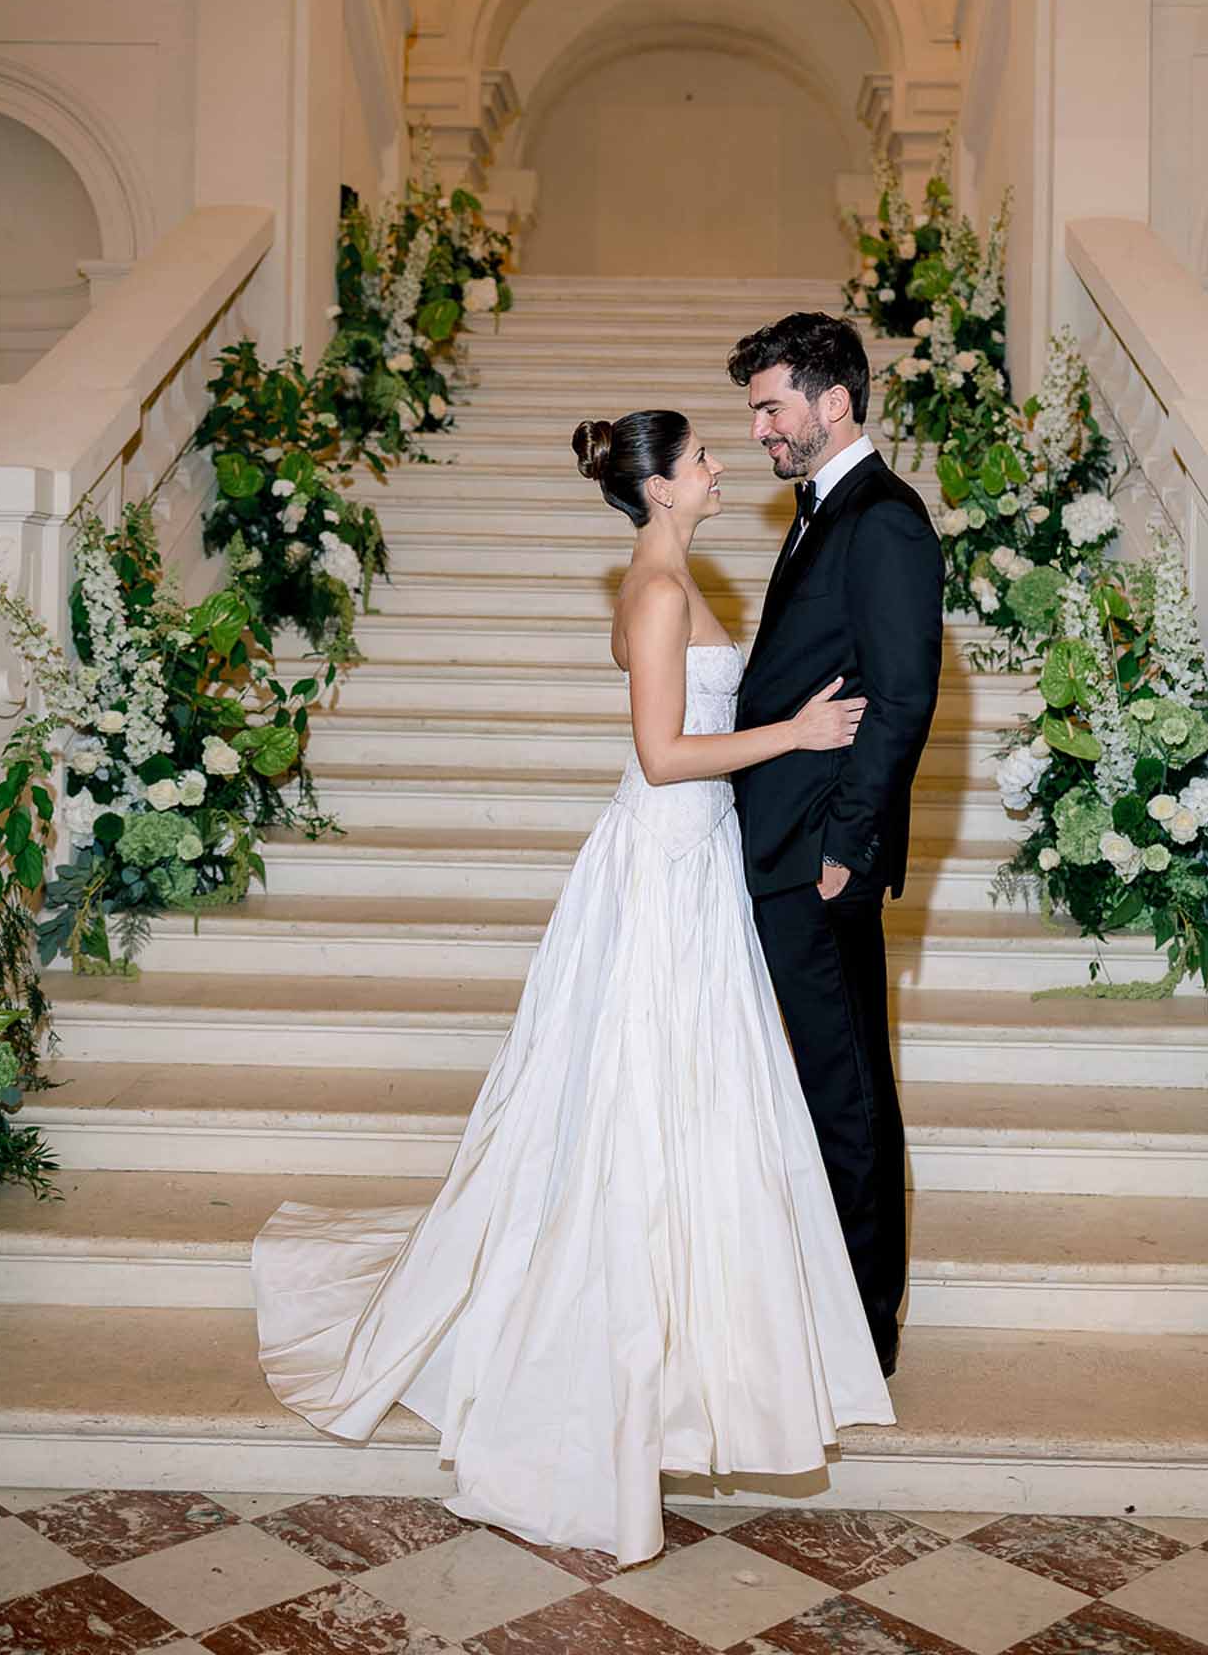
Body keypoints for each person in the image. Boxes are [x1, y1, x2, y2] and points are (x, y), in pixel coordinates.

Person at [252, 408, 894, 1569]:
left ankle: (692, 1355)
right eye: (699, 457)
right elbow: (662, 752)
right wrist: (794, 733)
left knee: (691, 1104)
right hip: (659, 857)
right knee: (632, 1106)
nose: (716, 467)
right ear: (657, 490)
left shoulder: (677, 573)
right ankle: (602, 1372)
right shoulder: (655, 594)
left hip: (693, 857)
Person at [727, 313, 944, 1381]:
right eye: (756, 409)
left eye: (771, 406)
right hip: (782, 841)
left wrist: (845, 846)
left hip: (822, 853)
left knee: (849, 1086)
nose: (761, 428)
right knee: (822, 1082)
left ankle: (867, 1324)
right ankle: (836, 1301)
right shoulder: (820, 511)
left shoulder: (885, 519)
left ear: (833, 402)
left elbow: (903, 696)